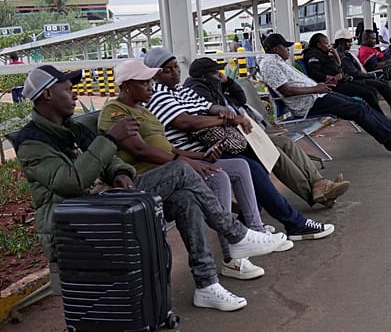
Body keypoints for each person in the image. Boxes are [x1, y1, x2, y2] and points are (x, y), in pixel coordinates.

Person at [15, 64, 287, 311]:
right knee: (181, 170)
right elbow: (71, 182)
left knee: (184, 199)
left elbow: (110, 162)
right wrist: (110, 139)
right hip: (75, 220)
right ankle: (235, 234)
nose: (74, 95)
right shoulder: (32, 142)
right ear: (48, 94)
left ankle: (206, 285)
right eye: (68, 89)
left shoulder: (71, 127)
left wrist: (120, 172)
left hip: (109, 203)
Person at [99, 59, 289, 283]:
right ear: (127, 86)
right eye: (144, 82)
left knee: (221, 174)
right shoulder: (115, 111)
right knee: (186, 172)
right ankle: (236, 235)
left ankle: (222, 268)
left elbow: (167, 147)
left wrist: (201, 157)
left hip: (168, 171)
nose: (151, 86)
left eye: (151, 81)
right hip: (142, 180)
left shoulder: (143, 109)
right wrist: (185, 161)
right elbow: (141, 150)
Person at [143, 48, 336, 240]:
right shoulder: (159, 94)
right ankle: (293, 223)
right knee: (252, 165)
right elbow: (185, 122)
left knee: (261, 160)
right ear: (153, 74)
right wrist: (227, 120)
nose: (175, 72)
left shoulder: (181, 91)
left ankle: (249, 223)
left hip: (213, 147)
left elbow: (208, 106)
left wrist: (225, 111)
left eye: (176, 66)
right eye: (167, 70)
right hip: (195, 154)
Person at [184, 56, 352, 206]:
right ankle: (317, 195)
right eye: (216, 72)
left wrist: (228, 81)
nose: (219, 74)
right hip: (231, 142)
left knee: (286, 143)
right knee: (274, 153)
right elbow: (216, 117)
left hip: (245, 134)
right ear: (205, 75)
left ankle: (319, 183)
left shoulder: (212, 87)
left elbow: (240, 100)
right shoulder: (199, 90)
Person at [260, 33, 391, 157]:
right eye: (285, 47)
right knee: (357, 108)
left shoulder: (277, 62)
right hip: (309, 102)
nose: (288, 49)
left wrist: (319, 88)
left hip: (317, 96)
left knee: (361, 105)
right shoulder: (269, 64)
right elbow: (286, 91)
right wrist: (316, 89)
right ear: (276, 49)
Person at [332, 29, 391, 121]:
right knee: (379, 88)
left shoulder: (345, 53)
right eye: (349, 41)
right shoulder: (342, 55)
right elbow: (354, 72)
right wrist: (369, 75)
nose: (351, 43)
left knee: (382, 85)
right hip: (357, 79)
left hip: (361, 77)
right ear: (342, 42)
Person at [304, 32, 384, 114]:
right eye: (326, 44)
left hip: (343, 81)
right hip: (335, 85)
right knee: (369, 94)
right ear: (319, 45)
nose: (329, 46)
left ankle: (378, 118)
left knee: (372, 91)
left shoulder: (325, 54)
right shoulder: (313, 54)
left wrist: (336, 56)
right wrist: (333, 78)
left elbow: (338, 67)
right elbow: (314, 74)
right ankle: (380, 119)